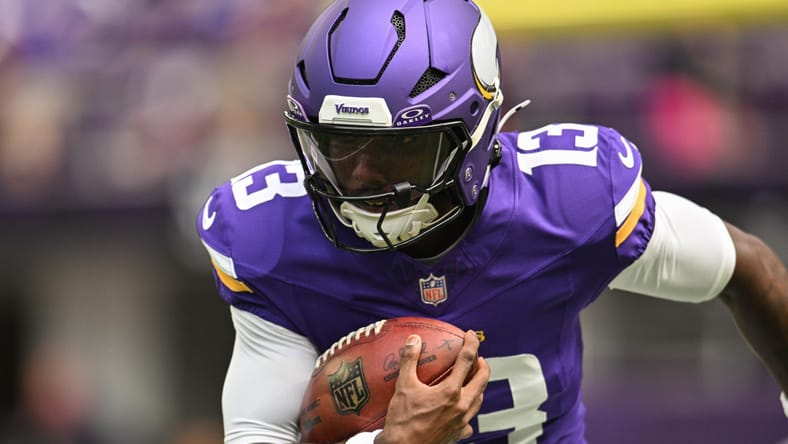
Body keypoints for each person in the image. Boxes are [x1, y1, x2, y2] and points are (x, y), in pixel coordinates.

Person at [196, 1, 788, 442]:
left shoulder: (567, 204)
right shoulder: (273, 241)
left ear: (474, 136)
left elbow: (747, 267)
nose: (360, 180)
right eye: (338, 146)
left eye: (399, 150)